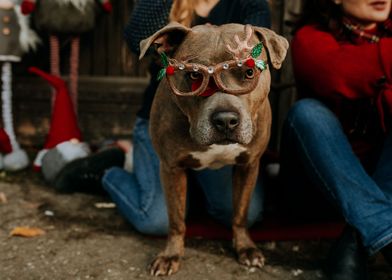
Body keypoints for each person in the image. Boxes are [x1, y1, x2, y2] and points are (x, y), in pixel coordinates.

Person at [52, 0, 272, 236]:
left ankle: (192, 188)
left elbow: (254, 56)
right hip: (170, 123)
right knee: (154, 220)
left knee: (245, 216)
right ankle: (110, 170)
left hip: (224, 118)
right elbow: (137, 41)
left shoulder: (250, 3)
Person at [279, 0, 392, 279]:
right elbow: (339, 74)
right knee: (307, 114)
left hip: (378, 182)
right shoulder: (310, 38)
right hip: (317, 190)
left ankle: (355, 240)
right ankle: (385, 232)